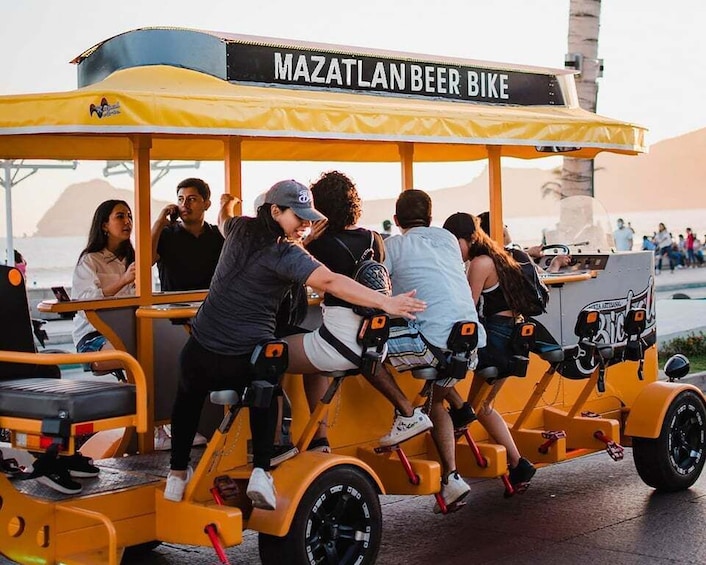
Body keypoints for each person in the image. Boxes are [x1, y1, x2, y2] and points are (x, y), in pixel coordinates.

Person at [165, 179, 426, 510]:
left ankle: (176, 476)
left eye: (309, 217)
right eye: (299, 216)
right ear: (275, 211)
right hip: (243, 358)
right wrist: (385, 303)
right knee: (267, 377)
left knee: (187, 396)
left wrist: (227, 204)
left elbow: (223, 221)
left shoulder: (240, 229)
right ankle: (261, 470)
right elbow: (331, 281)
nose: (306, 224)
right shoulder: (286, 253)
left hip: (201, 347)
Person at [301, 171, 433, 452]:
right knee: (326, 361)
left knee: (290, 360)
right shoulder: (374, 239)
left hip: (340, 340)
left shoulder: (318, 245)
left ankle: (318, 439)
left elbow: (296, 274)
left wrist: (307, 239)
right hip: (374, 338)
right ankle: (405, 413)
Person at [372, 189, 486, 513]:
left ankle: (406, 414)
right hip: (469, 343)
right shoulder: (449, 240)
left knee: (365, 349)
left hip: (432, 343)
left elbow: (380, 289)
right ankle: (451, 478)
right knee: (437, 397)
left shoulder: (392, 245)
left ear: (396, 220)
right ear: (432, 218)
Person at [442, 212, 537, 492]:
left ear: (468, 239)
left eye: (453, 242)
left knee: (440, 369)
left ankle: (459, 417)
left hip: (495, 339)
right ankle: (519, 465)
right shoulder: (500, 257)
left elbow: (467, 307)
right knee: (483, 407)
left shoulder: (479, 264)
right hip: (512, 338)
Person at [151, 177, 225, 291]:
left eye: (191, 199)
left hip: (210, 304)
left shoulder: (218, 235)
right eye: (180, 199)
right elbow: (146, 263)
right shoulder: (166, 234)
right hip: (172, 306)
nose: (184, 204)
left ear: (206, 204)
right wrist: (159, 224)